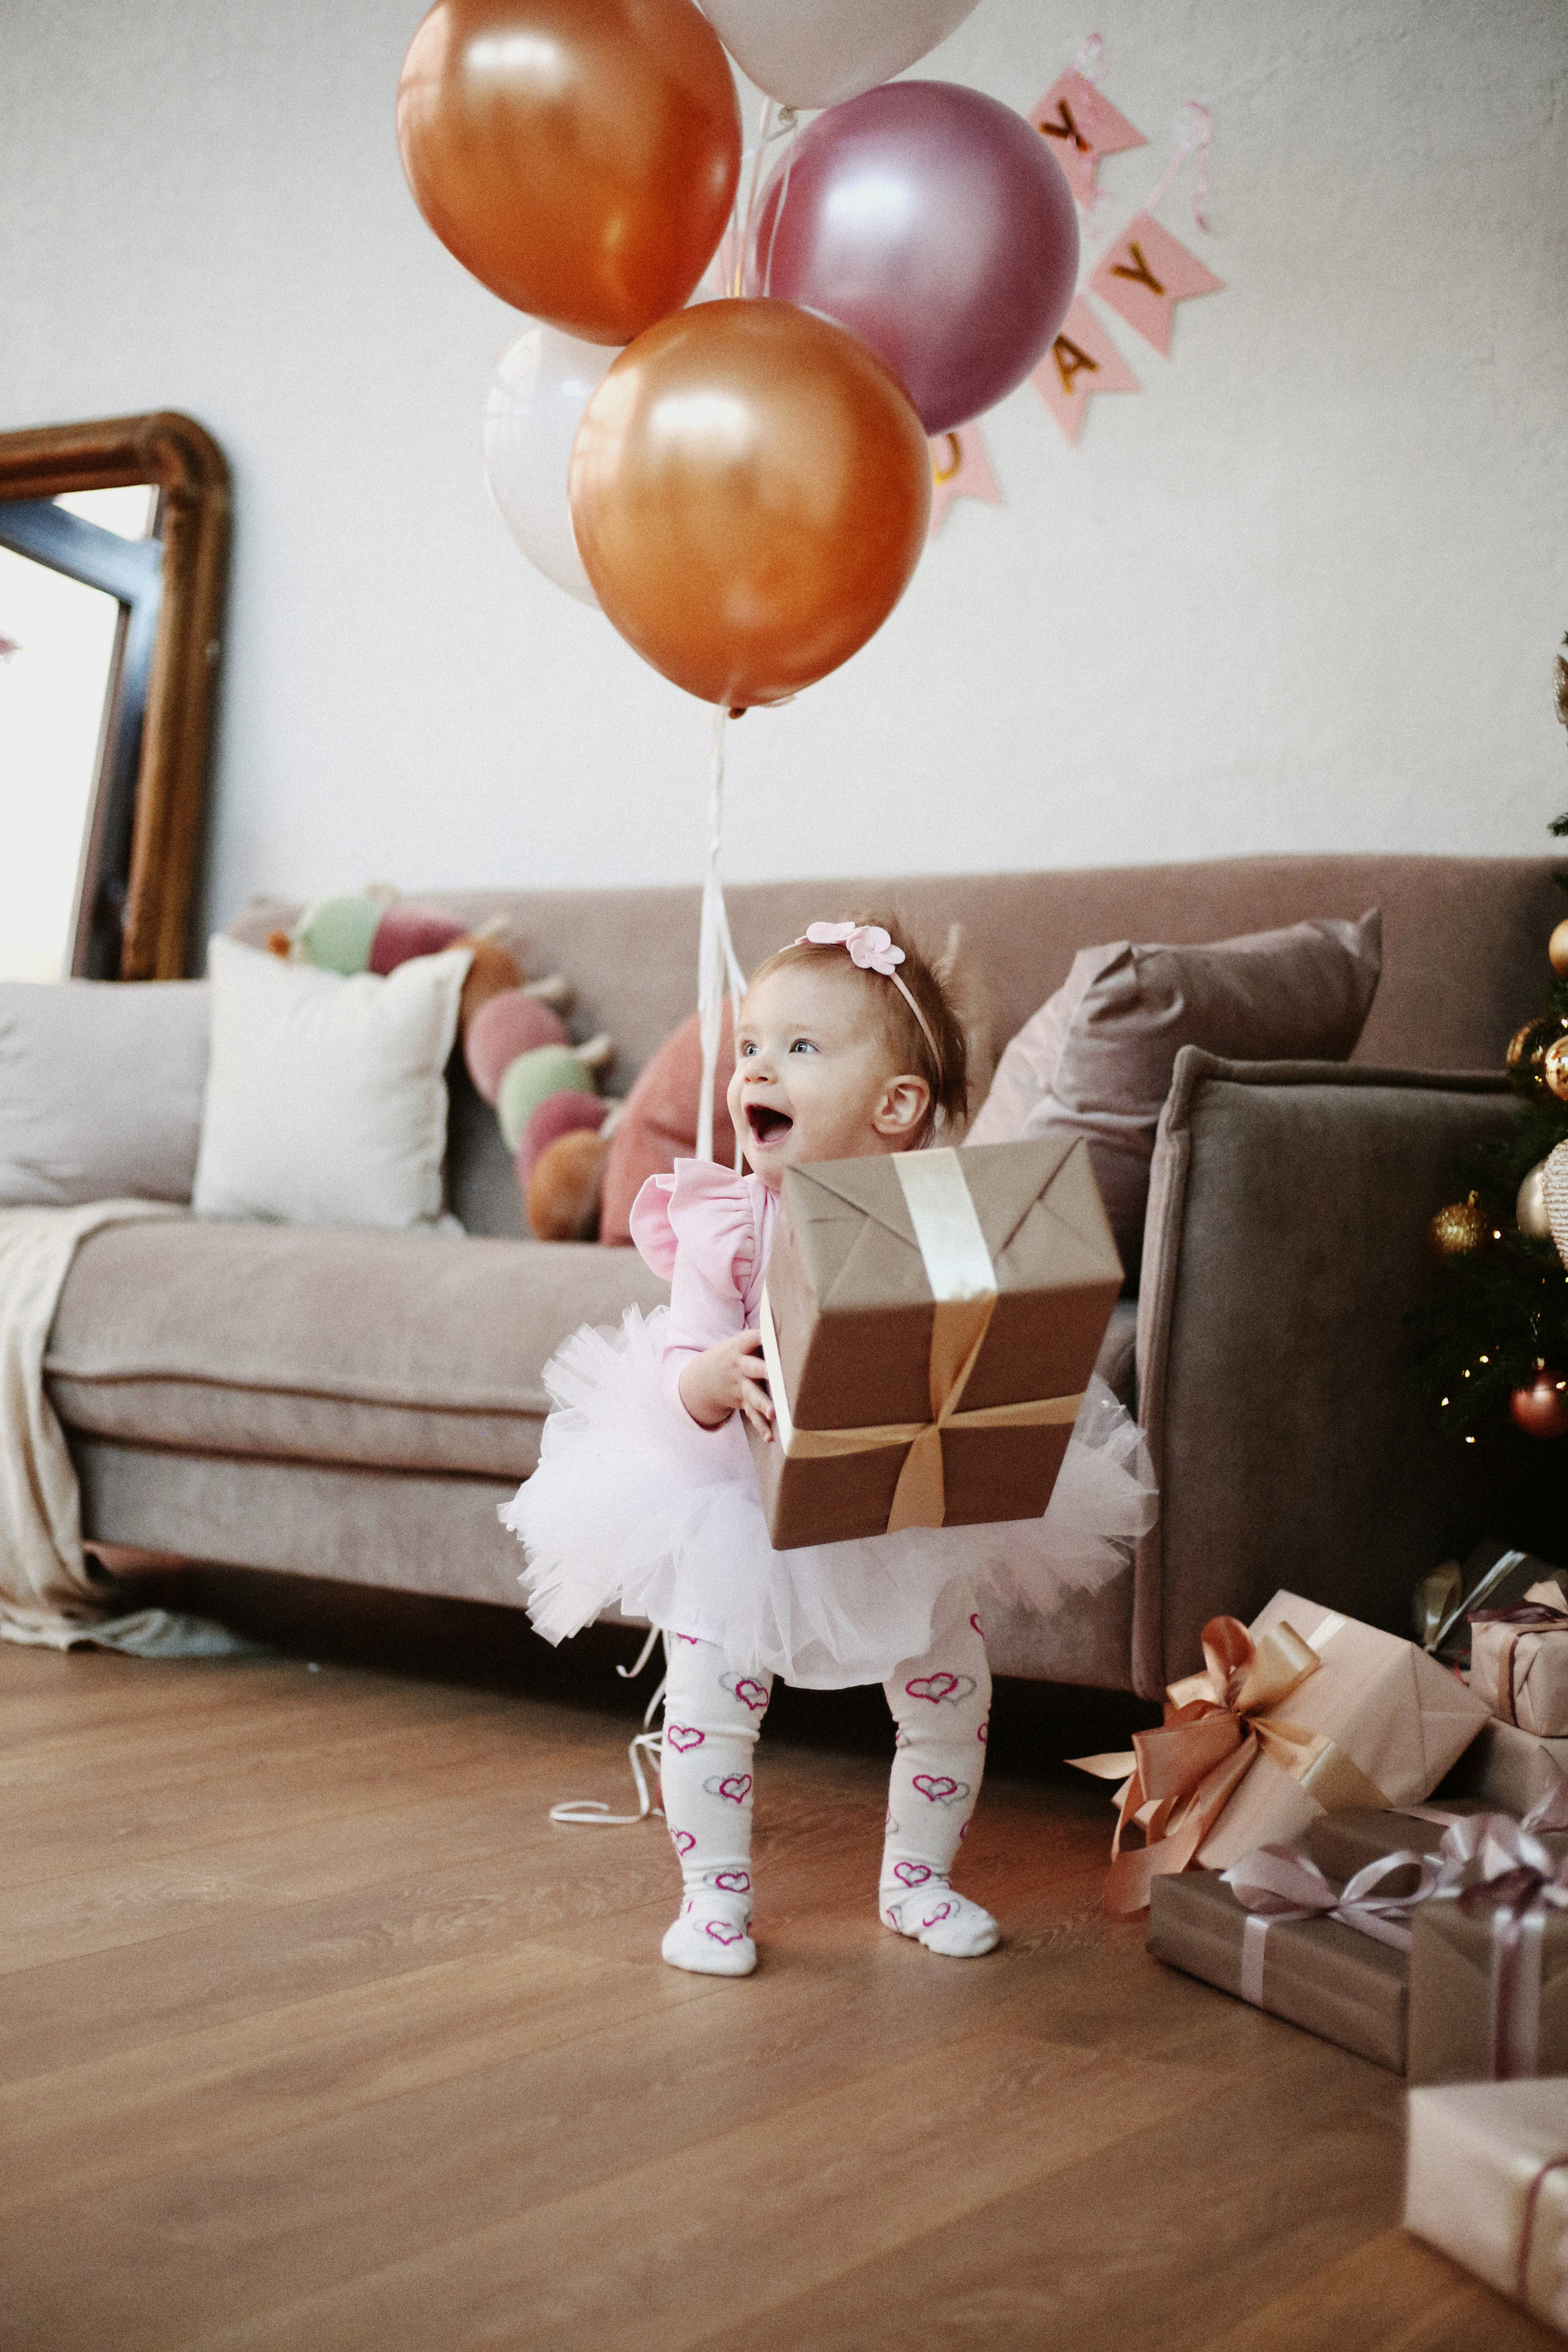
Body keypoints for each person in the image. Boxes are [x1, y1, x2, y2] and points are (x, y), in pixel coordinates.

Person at [503, 916, 1156, 1977]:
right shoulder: (728, 1221)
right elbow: (681, 1353)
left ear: (896, 1109)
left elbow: (984, 1340)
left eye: (800, 1050)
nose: (757, 1065)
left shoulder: (936, 1221)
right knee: (715, 1701)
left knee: (950, 1692)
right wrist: (703, 1381)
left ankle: (918, 1880)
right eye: (753, 1046)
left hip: (901, 1500)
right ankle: (712, 1897)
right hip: (742, 1507)